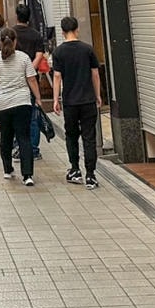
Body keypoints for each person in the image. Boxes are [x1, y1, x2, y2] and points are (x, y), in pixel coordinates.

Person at [50, 16, 103, 189]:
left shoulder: (59, 52)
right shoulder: (87, 49)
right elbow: (95, 74)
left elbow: (57, 77)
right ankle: (91, 175)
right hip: (88, 100)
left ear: (63, 32)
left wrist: (56, 98)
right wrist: (97, 95)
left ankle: (75, 170)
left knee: (71, 136)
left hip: (70, 101)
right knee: (89, 137)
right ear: (77, 29)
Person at [0, 26, 41, 185]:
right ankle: (28, 175)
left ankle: (8, 169)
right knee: (24, 137)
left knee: (6, 138)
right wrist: (38, 97)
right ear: (15, 41)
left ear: (0, 42)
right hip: (22, 102)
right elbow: (31, 79)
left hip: (2, 104)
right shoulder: (24, 58)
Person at [13, 3, 47, 160]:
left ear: (16, 16)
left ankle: (20, 146)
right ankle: (33, 148)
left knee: (17, 114)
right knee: (33, 113)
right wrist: (29, 70)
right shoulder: (36, 35)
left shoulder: (11, 33)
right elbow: (40, 54)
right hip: (32, 79)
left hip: (14, 79)